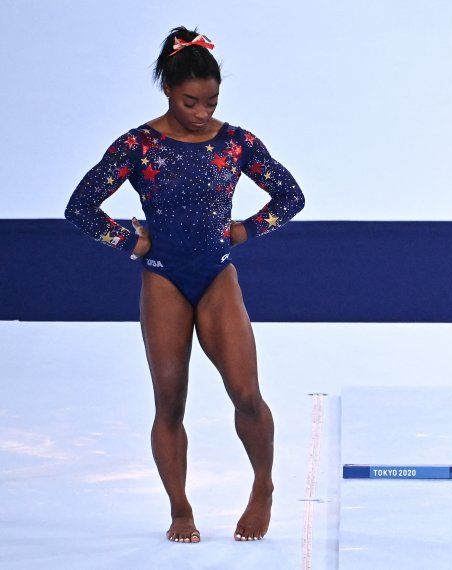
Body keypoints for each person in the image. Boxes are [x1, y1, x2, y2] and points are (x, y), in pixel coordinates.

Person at [64, 26, 305, 544]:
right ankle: (180, 509)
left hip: (216, 274)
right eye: (190, 101)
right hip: (163, 280)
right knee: (170, 402)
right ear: (169, 92)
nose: (201, 112)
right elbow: (79, 208)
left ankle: (263, 486)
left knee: (245, 394)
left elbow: (291, 195)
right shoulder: (139, 145)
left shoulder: (237, 142)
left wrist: (246, 229)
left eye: (211, 101)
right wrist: (130, 241)